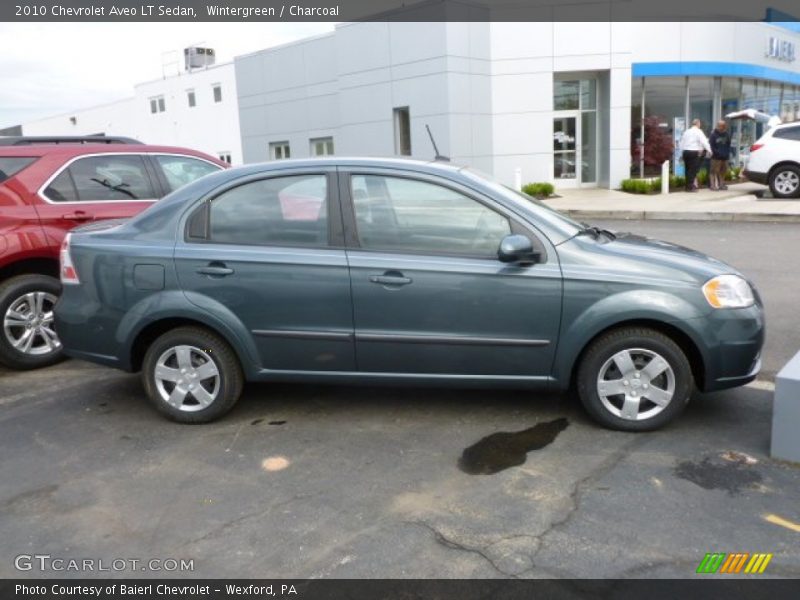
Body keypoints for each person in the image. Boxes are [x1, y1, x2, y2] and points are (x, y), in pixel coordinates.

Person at [679, 119, 711, 192]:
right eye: (700, 123)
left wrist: (681, 152)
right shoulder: (699, 131)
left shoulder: (686, 131)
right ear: (698, 124)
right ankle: (690, 187)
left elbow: (681, 142)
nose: (700, 125)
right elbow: (704, 142)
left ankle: (687, 186)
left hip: (686, 152)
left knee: (687, 170)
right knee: (692, 170)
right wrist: (710, 150)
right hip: (693, 152)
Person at [708, 120, 732, 191]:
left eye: (722, 125)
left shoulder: (727, 134)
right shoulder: (713, 135)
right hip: (716, 157)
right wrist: (717, 153)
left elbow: (728, 144)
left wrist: (727, 153)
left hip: (725, 157)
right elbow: (711, 146)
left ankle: (721, 185)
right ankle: (712, 186)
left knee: (723, 171)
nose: (720, 127)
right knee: (713, 172)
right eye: (719, 125)